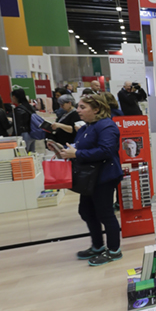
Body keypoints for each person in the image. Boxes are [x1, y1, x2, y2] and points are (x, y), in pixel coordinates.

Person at [56, 93, 123, 266]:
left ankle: (114, 250)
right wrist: (64, 150)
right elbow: (78, 146)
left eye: (82, 107)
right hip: (89, 177)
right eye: (78, 106)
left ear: (97, 109)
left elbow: (106, 150)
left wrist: (76, 153)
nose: (78, 110)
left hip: (104, 176)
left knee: (105, 213)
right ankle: (98, 245)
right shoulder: (87, 127)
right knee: (86, 211)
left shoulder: (107, 126)